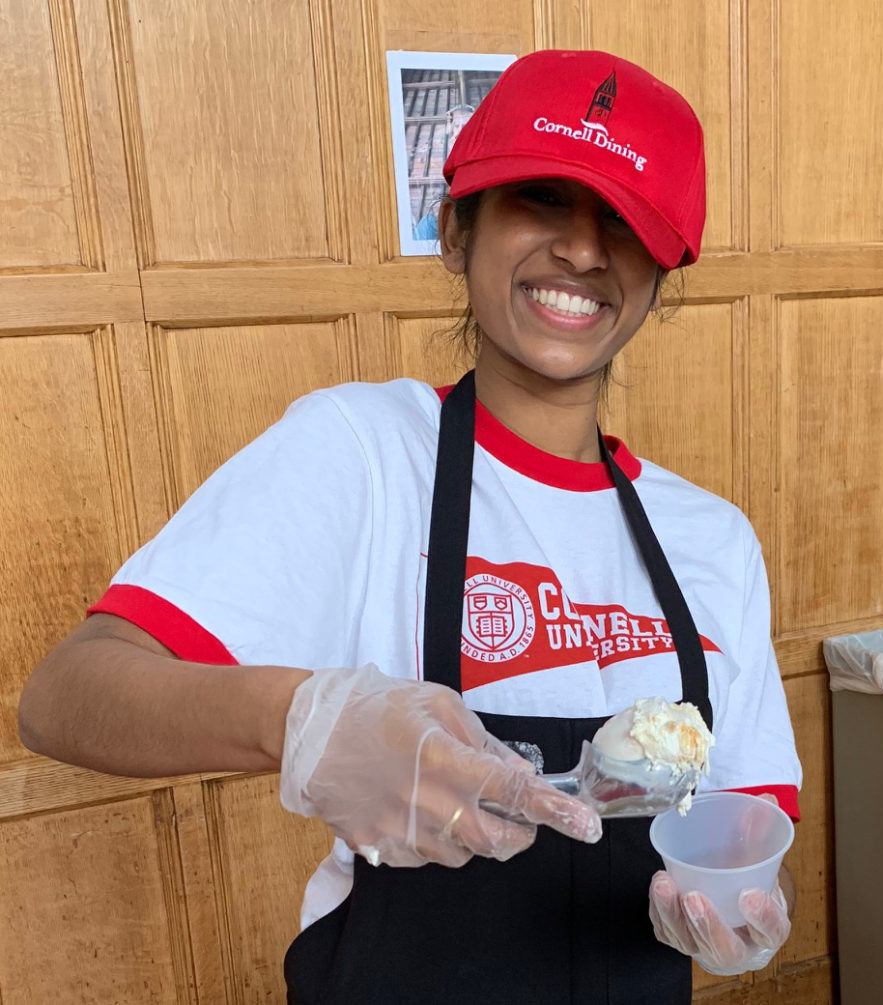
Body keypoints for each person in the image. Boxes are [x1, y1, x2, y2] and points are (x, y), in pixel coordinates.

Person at [18, 49, 801, 1003]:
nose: (585, 253)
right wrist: (298, 717)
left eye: (625, 222)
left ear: (660, 273)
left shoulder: (711, 539)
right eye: (544, 200)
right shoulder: (361, 453)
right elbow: (67, 695)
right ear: (455, 231)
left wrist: (744, 905)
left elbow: (751, 816)